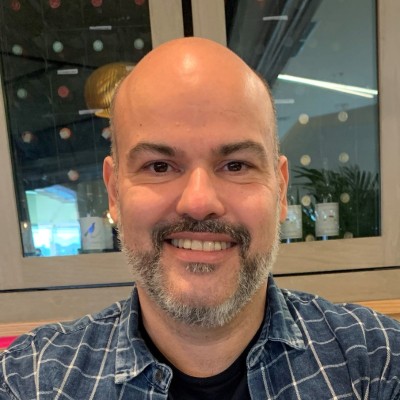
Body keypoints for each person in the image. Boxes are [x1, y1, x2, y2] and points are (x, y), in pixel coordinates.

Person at [1, 37, 399, 400]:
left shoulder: (378, 362)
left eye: (236, 165)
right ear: (114, 193)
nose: (198, 202)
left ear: (279, 190)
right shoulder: (30, 381)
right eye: (159, 166)